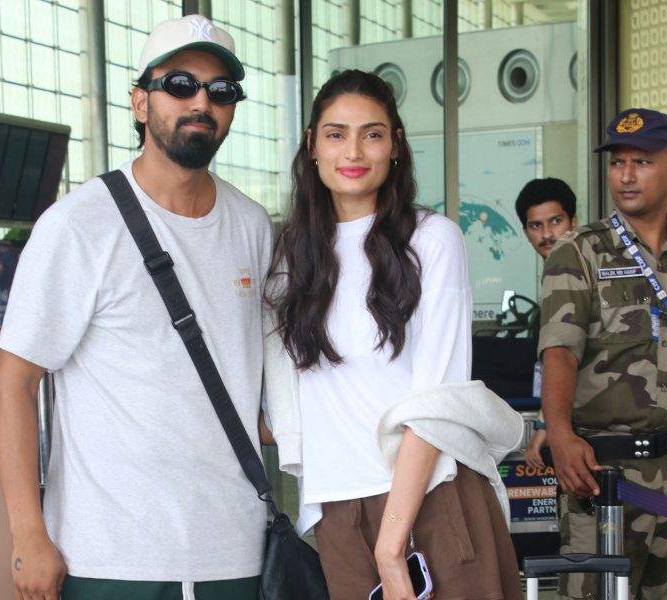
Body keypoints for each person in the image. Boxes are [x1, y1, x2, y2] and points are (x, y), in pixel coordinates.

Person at [0, 15, 273, 600]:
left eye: (221, 90)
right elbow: (15, 382)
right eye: (180, 85)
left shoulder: (251, 226)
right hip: (110, 553)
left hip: (234, 547)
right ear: (141, 103)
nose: (201, 102)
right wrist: (27, 534)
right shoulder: (78, 224)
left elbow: (256, 381)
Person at [263, 70, 523, 600]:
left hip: (432, 497)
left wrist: (391, 542)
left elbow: (436, 402)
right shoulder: (291, 255)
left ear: (396, 145)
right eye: (336, 134)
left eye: (373, 134)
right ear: (312, 145)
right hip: (337, 510)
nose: (353, 151)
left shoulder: (432, 240)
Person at [539, 107, 667, 599]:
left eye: (642, 162)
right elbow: (560, 351)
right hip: (606, 475)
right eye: (617, 163)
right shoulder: (580, 251)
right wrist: (559, 433)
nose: (626, 176)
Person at [513, 177, 577, 468]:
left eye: (556, 221)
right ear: (525, 232)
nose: (547, 234)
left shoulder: (579, 270)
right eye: (536, 226)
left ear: (574, 221)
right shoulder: (555, 273)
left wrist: (546, 424)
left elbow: (568, 354)